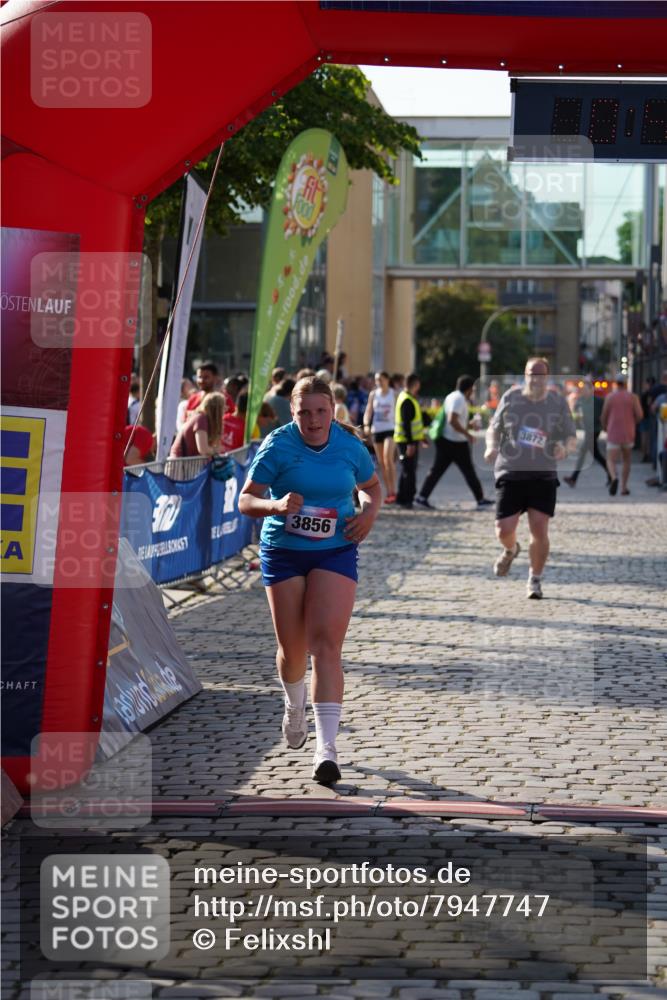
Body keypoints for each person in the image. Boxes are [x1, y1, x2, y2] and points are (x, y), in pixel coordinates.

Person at [238, 375, 381, 785]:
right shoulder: (279, 444)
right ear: (293, 412)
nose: (314, 420)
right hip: (283, 552)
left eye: (321, 411)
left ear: (332, 409)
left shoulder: (350, 447)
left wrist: (369, 513)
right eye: (305, 413)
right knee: (293, 649)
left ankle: (327, 748)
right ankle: (293, 704)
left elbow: (372, 487)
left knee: (326, 646)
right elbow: (246, 499)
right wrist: (274, 504)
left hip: (335, 548)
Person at [484, 357, 577, 599]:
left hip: (542, 474)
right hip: (511, 470)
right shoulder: (512, 397)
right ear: (524, 375)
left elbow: (570, 435)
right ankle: (511, 549)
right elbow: (494, 427)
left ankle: (534, 579)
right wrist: (491, 446)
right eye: (530, 373)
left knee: (539, 528)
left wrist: (565, 449)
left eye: (540, 374)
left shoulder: (557, 401)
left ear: (547, 376)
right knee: (503, 529)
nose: (535, 379)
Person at [415, 374, 493, 510]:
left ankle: (422, 497)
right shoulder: (459, 399)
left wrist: (469, 425)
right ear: (469, 389)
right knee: (468, 471)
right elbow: (452, 420)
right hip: (454, 442)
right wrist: (468, 434)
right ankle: (480, 500)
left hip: (449, 440)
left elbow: (456, 421)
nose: (473, 392)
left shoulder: (453, 396)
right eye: (473, 390)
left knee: (438, 471)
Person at [563, 376, 609, 489]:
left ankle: (573, 478)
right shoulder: (582, 400)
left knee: (583, 453)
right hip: (588, 430)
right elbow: (577, 413)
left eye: (585, 389)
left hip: (595, 430)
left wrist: (605, 424)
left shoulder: (598, 401)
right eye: (582, 389)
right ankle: (611, 474)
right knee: (596, 455)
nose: (583, 391)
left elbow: (606, 411)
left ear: (591, 390)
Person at [600, 373, 642, 496]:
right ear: (626, 383)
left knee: (611, 459)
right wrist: (633, 422)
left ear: (616, 383)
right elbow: (639, 415)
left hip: (613, 432)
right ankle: (624, 487)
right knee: (627, 460)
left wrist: (605, 427)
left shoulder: (610, 397)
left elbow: (604, 415)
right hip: (628, 432)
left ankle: (614, 477)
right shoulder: (633, 397)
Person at [363, 371, 397, 503]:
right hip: (377, 430)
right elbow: (368, 410)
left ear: (387, 379)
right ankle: (389, 492)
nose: (378, 382)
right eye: (376, 380)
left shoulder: (393, 393)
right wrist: (366, 424)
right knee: (382, 462)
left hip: (391, 429)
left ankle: (394, 490)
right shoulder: (373, 394)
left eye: (381, 379)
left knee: (388, 459)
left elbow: (399, 411)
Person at [393, 372, 426, 510]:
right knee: (409, 471)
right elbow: (406, 424)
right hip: (406, 441)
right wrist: (410, 444)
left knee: (406, 470)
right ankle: (407, 499)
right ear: (416, 384)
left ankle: (401, 497)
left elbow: (413, 422)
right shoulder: (407, 400)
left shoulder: (405, 397)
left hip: (405, 440)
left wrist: (421, 438)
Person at [170, 391, 224, 458]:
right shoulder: (201, 419)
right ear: (217, 409)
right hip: (180, 465)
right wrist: (216, 451)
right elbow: (203, 449)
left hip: (186, 464)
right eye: (223, 407)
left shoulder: (202, 418)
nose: (225, 410)